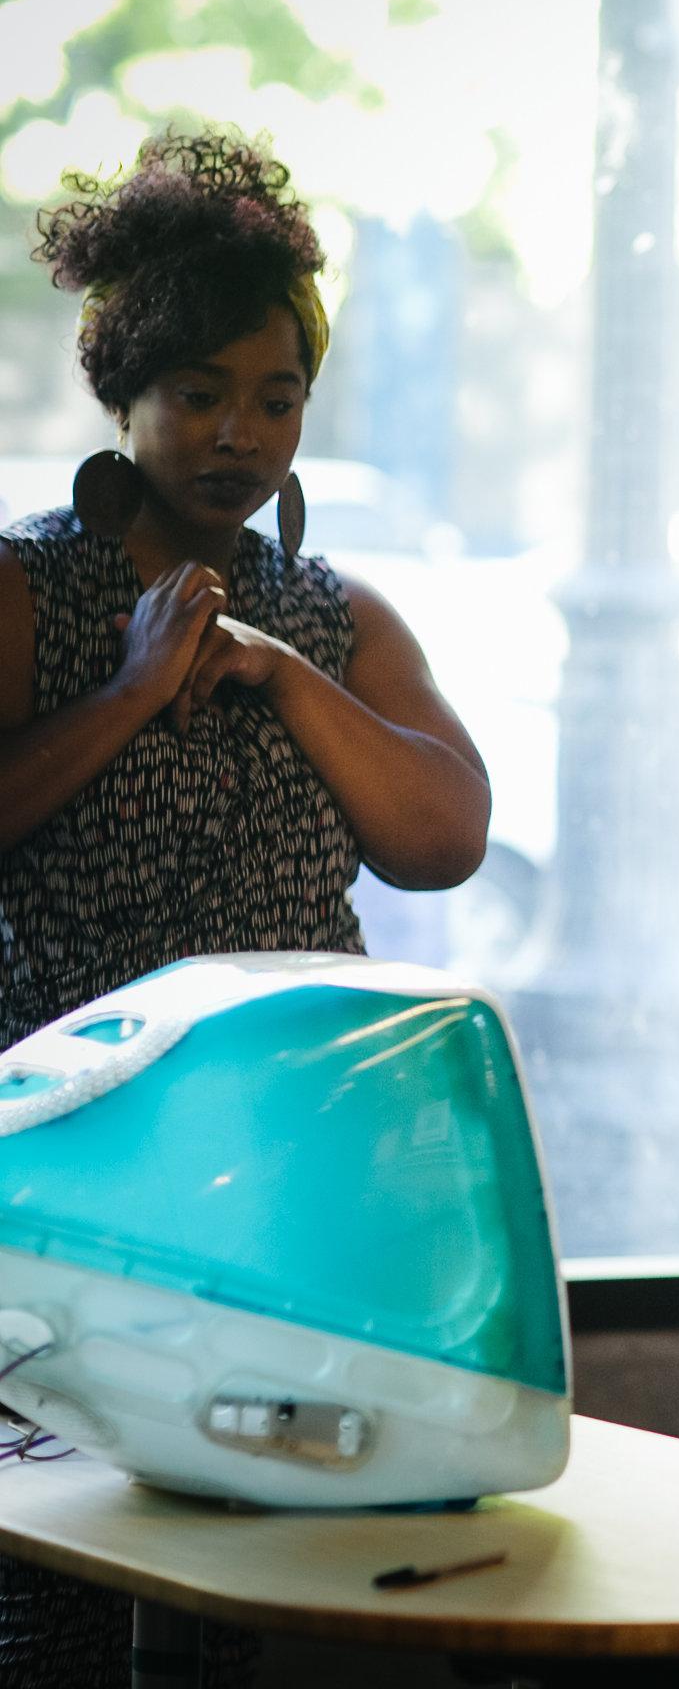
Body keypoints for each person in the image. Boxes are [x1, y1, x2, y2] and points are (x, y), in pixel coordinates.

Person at [0, 129, 490, 1684]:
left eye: (276, 398)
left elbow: (444, 838)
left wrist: (283, 677)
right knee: (59, 1584)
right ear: (124, 396)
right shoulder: (25, 593)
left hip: (296, 1166)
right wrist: (140, 688)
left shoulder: (339, 615)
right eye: (200, 393)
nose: (239, 434)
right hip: (77, 1156)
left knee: (264, 1589)